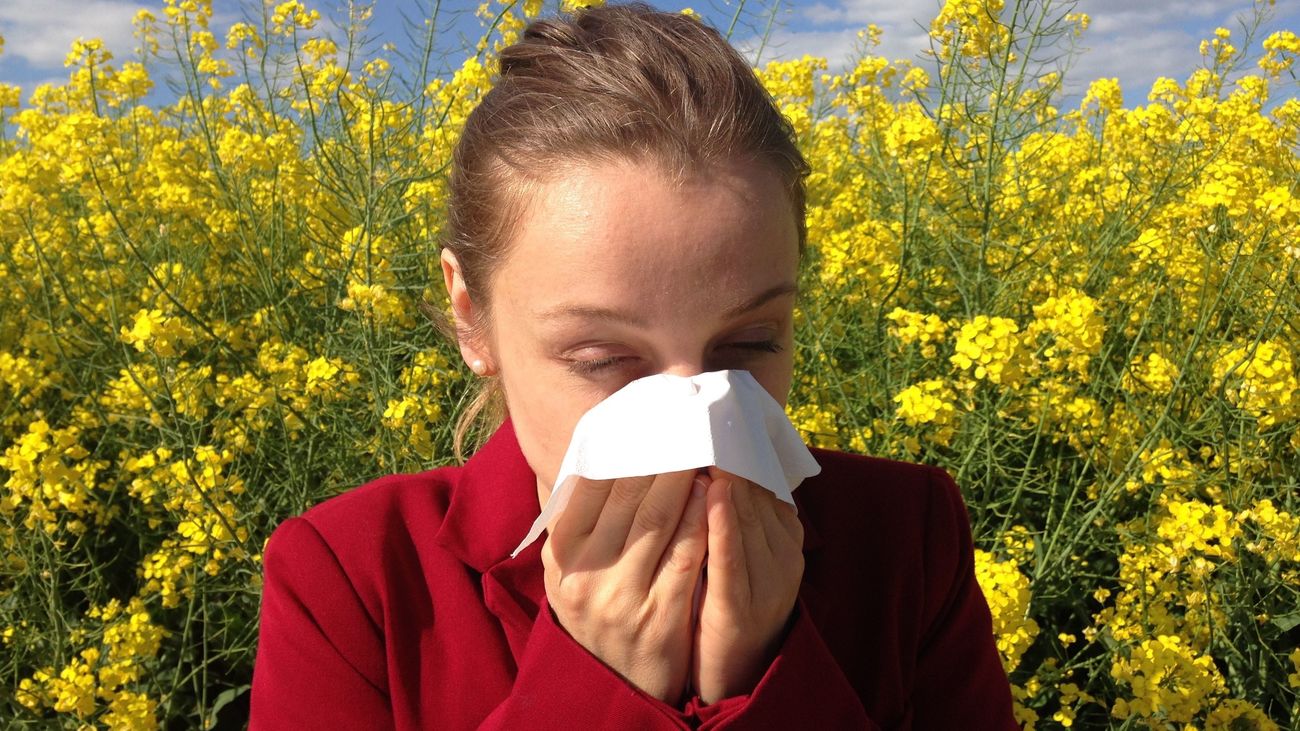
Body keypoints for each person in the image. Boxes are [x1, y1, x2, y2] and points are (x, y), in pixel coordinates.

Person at [247, 2, 1018, 728]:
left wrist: (762, 673)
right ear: (472, 318)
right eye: (603, 357)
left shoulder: (904, 539)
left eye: (749, 343)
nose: (695, 424)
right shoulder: (354, 580)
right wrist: (595, 687)